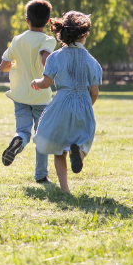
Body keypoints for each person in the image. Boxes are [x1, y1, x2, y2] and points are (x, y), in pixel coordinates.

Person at [30, 11, 102, 194]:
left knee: (58, 147)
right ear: (84, 35)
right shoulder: (93, 62)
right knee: (84, 140)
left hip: (61, 103)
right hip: (83, 103)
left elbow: (46, 83)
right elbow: (94, 91)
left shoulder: (55, 57)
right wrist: (87, 106)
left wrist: (35, 82)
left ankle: (65, 190)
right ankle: (78, 153)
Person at [0, 0, 57, 183]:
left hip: (20, 95)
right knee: (42, 136)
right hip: (40, 95)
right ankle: (40, 175)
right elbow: (45, 59)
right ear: (48, 22)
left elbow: (3, 66)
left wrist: (18, 65)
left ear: (27, 20)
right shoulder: (48, 40)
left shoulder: (17, 40)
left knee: (23, 130)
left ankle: (18, 140)